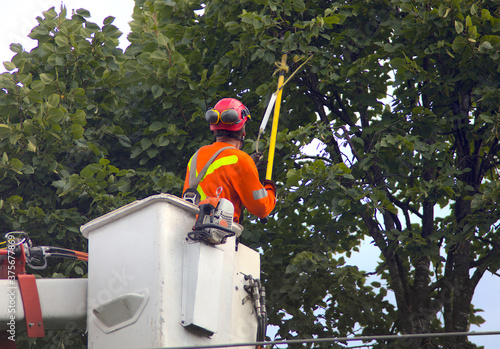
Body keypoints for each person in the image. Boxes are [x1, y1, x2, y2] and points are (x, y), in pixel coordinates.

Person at [183, 98, 276, 223]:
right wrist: (270, 189)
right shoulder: (241, 160)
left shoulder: (196, 156)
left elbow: (217, 177)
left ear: (214, 128)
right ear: (243, 131)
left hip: (188, 229)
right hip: (219, 235)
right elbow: (261, 208)